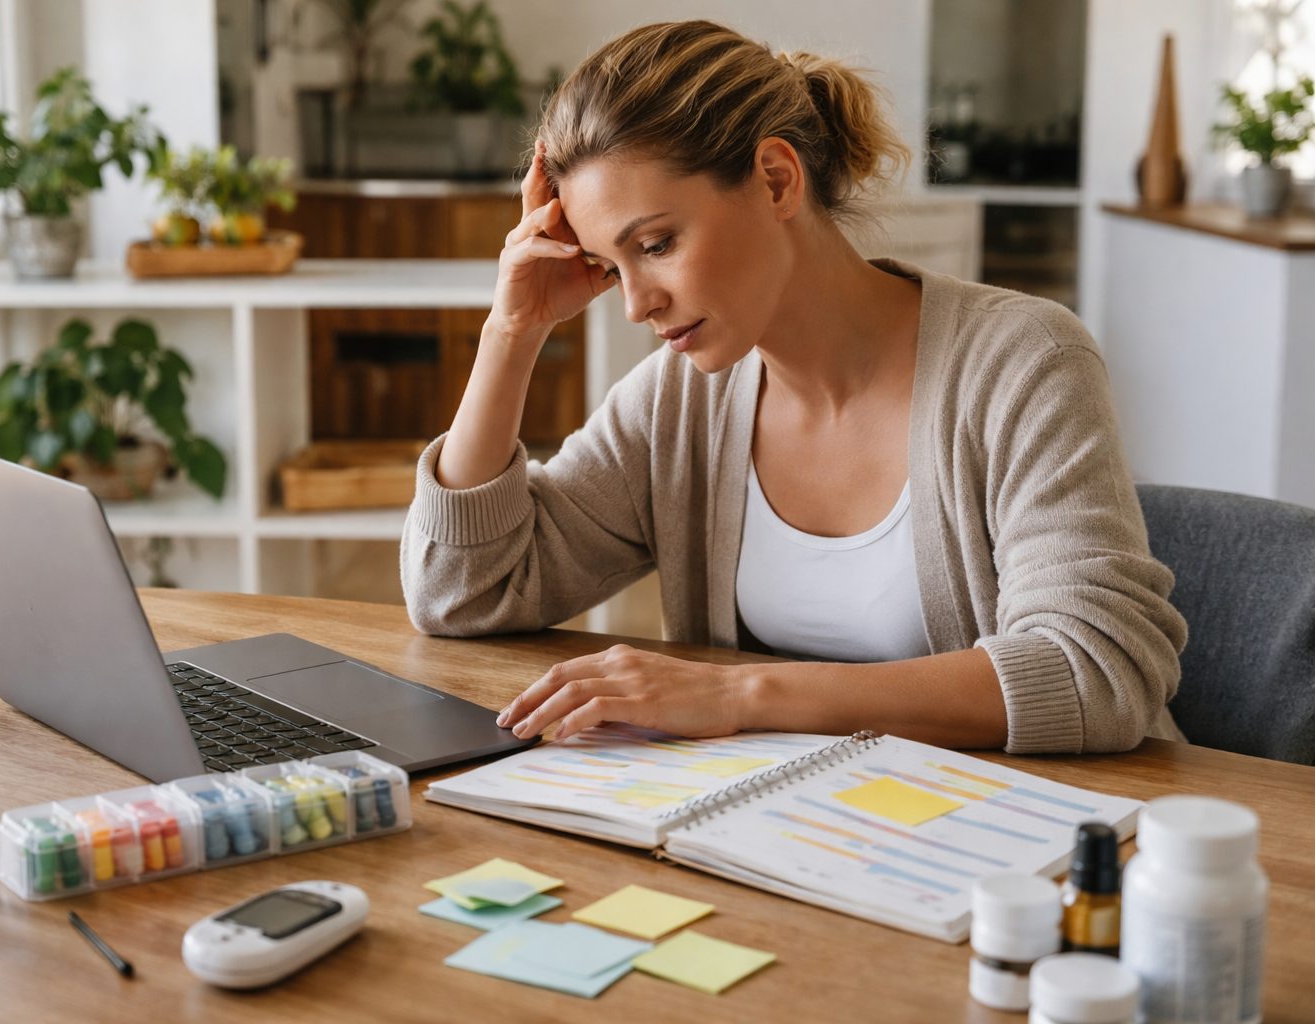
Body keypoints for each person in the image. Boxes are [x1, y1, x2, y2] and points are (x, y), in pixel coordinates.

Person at [400, 20, 1187, 754]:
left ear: (777, 179)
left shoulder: (1020, 362)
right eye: (611, 267)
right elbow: (463, 596)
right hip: (800, 840)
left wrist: (741, 694)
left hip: (1033, 857)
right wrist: (511, 333)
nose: (637, 303)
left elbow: (1097, 670)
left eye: (658, 243)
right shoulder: (677, 405)